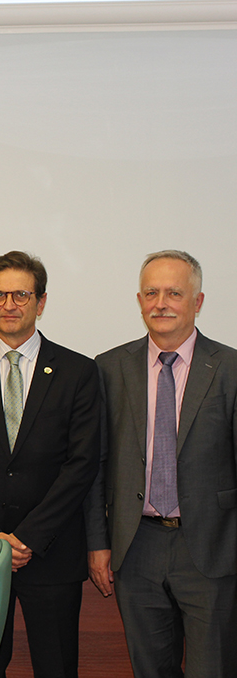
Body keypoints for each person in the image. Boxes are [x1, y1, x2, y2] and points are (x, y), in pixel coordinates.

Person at [0, 251, 100, 678]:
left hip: (51, 551)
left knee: (56, 666)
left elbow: (81, 464)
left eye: (20, 295)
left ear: (40, 302)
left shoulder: (78, 371)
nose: (8, 304)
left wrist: (28, 537)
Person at [85, 250, 236, 678]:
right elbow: (95, 466)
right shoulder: (109, 368)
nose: (161, 303)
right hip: (137, 547)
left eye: (174, 293)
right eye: (151, 293)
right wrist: (98, 543)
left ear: (198, 301)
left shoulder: (230, 368)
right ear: (139, 300)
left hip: (211, 548)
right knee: (150, 669)